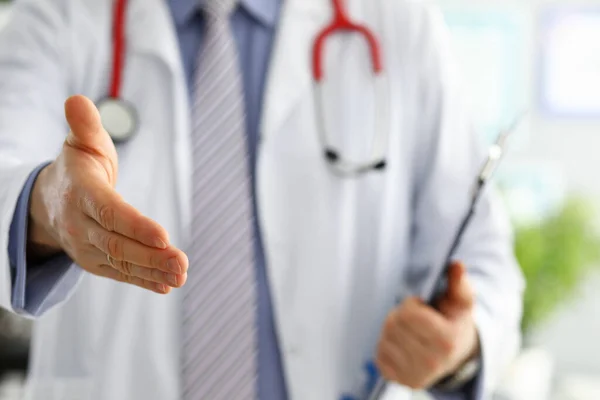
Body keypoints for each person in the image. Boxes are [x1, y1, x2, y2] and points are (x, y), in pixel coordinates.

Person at [0, 0, 525, 399]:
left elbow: (482, 263)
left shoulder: (396, 20)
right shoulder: (57, 14)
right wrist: (46, 206)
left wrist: (459, 344)